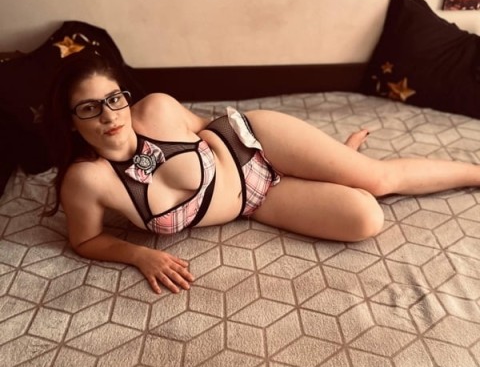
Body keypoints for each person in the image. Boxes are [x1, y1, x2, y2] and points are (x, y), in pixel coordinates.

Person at [44, 52, 480, 294]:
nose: (109, 115)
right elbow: (85, 240)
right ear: (71, 121)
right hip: (256, 202)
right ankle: (338, 166)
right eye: (89, 107)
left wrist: (315, 155)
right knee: (367, 218)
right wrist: (140, 255)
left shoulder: (156, 108)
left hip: (257, 141)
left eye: (114, 99)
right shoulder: (87, 181)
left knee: (378, 181)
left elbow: (212, 126)